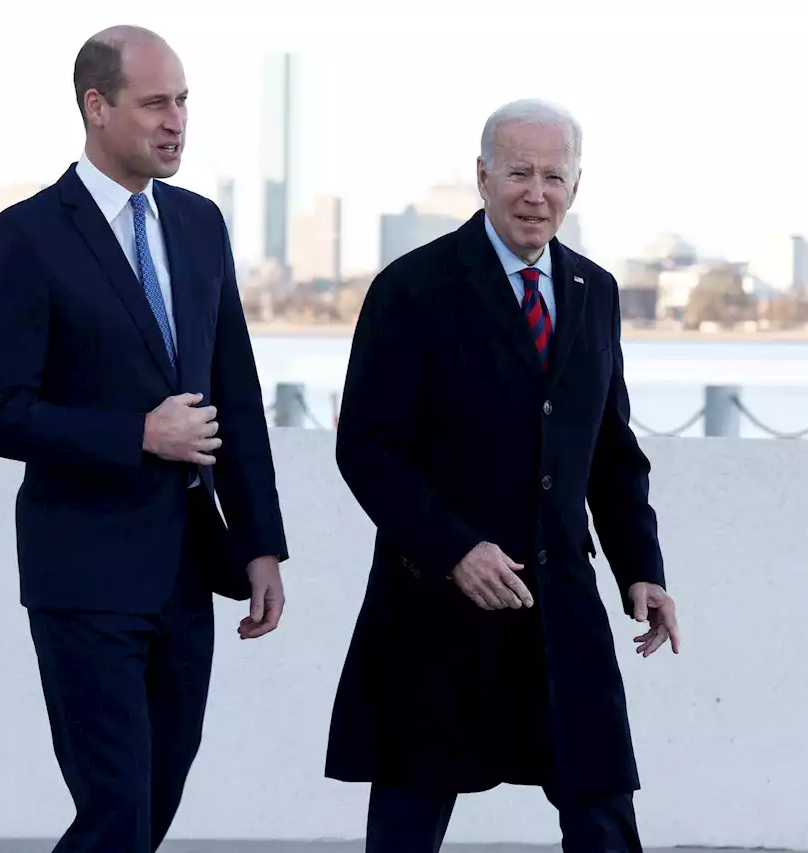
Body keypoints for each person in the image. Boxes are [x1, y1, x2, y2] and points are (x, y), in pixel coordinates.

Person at [0, 25, 289, 853]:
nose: (176, 121)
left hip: (187, 569)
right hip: (83, 571)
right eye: (155, 103)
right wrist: (138, 433)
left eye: (182, 101)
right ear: (96, 106)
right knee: (116, 811)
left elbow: (237, 399)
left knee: (155, 799)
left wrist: (259, 545)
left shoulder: (200, 225)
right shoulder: (28, 235)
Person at [324, 99, 682, 853]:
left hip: (561, 607)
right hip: (438, 605)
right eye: (519, 172)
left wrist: (640, 568)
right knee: (408, 825)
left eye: (555, 175)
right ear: (482, 176)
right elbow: (367, 446)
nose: (536, 192)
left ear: (576, 187)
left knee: (603, 812)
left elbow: (611, 450)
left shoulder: (595, 292)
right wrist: (456, 549)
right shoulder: (412, 288)